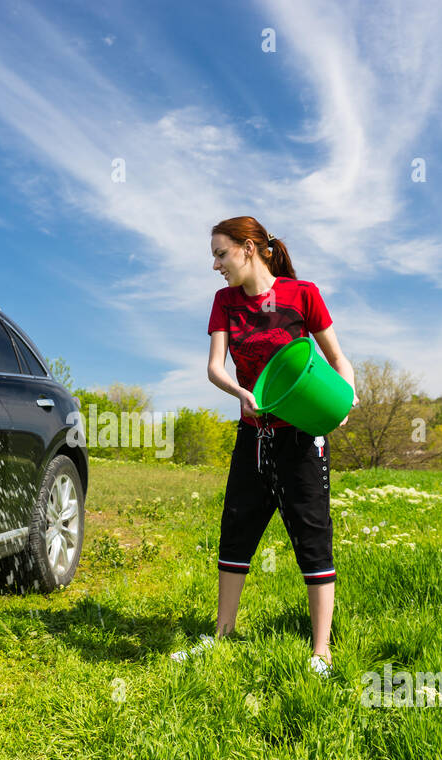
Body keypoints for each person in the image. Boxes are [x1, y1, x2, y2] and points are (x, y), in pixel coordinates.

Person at [174, 217, 358, 676]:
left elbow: (337, 358)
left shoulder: (303, 294)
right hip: (253, 435)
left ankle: (321, 652)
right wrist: (240, 393)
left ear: (249, 248)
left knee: (312, 535)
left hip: (301, 436)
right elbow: (215, 366)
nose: (215, 265)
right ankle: (222, 635)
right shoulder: (225, 302)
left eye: (221, 254)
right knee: (236, 528)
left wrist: (347, 393)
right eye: (214, 256)